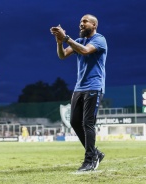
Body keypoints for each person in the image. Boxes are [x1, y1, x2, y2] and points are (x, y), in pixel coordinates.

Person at [50, 14, 107, 172]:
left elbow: (85, 51)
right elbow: (62, 56)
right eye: (80, 22)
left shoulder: (99, 40)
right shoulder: (79, 41)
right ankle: (96, 153)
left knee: (88, 123)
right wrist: (59, 42)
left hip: (94, 87)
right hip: (79, 88)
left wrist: (66, 37)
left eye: (85, 21)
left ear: (94, 25)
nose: (81, 24)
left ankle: (90, 159)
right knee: (75, 122)